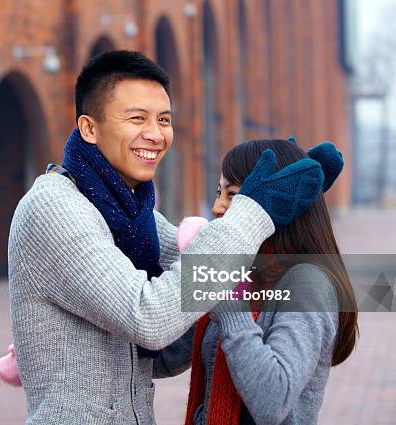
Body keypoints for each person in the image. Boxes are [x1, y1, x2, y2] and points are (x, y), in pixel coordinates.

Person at [7, 50, 325, 424]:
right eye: (137, 118)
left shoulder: (132, 214)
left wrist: (297, 219)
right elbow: (150, 317)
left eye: (163, 119)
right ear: (89, 128)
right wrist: (253, 212)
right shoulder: (55, 208)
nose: (155, 135)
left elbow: (187, 310)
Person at [153, 139, 358, 425]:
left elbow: (273, 399)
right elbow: (166, 355)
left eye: (233, 195)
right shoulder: (245, 272)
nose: (216, 207)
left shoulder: (307, 283)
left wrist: (230, 304)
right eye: (218, 192)